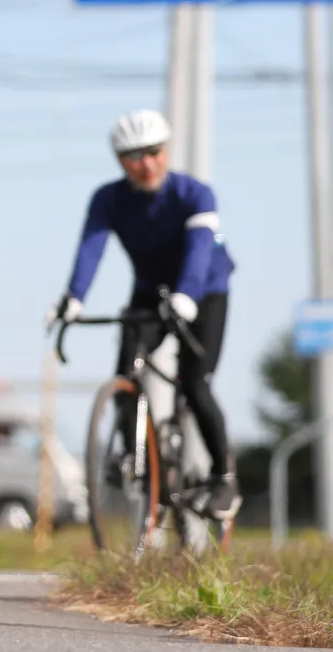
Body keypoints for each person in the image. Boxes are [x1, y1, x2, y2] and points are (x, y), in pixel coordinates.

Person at [48, 108, 240, 521]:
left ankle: (224, 478)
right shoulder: (109, 199)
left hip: (205, 291)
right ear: (120, 162)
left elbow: (199, 251)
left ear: (165, 150)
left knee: (195, 382)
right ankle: (131, 454)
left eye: (153, 152)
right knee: (126, 370)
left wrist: (188, 295)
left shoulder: (195, 194)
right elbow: (91, 247)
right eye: (133, 157)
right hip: (150, 293)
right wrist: (74, 297)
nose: (146, 164)